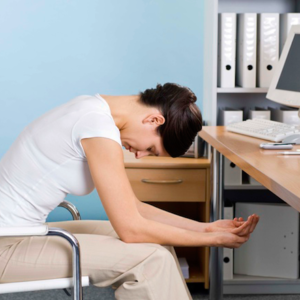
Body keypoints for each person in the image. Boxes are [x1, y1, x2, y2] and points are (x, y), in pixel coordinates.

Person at [0, 83, 259, 299]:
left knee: (157, 244)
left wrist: (206, 228)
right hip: (7, 246)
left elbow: (135, 209)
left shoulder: (90, 107)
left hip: (23, 233)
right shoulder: (96, 126)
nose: (140, 155)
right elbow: (131, 229)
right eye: (152, 150)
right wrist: (214, 241)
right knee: (149, 261)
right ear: (154, 120)